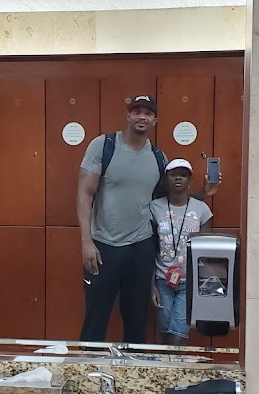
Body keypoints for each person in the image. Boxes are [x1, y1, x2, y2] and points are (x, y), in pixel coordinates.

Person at [77, 95, 218, 343]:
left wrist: (203, 194)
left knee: (136, 322)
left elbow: (173, 203)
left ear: (155, 120)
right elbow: (84, 193)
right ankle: (89, 366)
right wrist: (86, 242)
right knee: (95, 320)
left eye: (148, 113)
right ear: (128, 116)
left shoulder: (158, 157)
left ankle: (133, 368)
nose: (142, 117)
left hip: (141, 248)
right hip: (103, 246)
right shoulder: (104, 146)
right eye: (137, 111)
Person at [150, 158, 212, 345]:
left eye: (183, 175)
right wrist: (151, 285)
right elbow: (149, 248)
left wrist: (203, 287)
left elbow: (205, 252)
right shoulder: (155, 207)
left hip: (189, 283)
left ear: (190, 180)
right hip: (162, 280)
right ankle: (167, 365)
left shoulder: (201, 209)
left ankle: (174, 363)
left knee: (178, 335)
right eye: (174, 175)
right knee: (165, 334)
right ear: (166, 179)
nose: (178, 178)